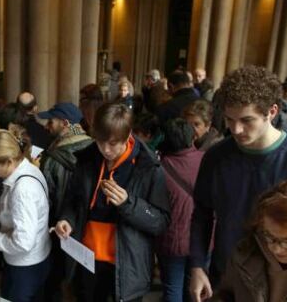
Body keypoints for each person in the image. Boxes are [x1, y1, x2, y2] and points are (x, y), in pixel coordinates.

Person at [189, 66, 287, 302]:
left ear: (272, 111)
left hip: (283, 285)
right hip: (227, 278)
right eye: (229, 119)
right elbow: (202, 214)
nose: (236, 129)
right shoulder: (215, 157)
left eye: (247, 120)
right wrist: (196, 265)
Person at [54, 103, 170, 302]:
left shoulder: (149, 168)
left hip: (126, 264)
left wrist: (128, 203)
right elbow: (73, 200)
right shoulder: (88, 159)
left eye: (113, 143)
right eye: (100, 142)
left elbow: (160, 222)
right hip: (86, 259)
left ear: (127, 136)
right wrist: (67, 219)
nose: (106, 150)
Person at [0, 129, 51, 302]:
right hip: (38, 256)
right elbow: (24, 212)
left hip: (25, 266)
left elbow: (22, 242)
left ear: (8, 161)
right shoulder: (28, 168)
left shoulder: (22, 190)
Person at [39, 102, 92, 301]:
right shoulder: (96, 150)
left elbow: (46, 199)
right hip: (89, 228)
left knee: (57, 279)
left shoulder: (51, 159)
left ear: (65, 123)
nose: (46, 126)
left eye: (51, 121)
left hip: (59, 229)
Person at [156, 118, 204, 302]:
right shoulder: (207, 159)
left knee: (172, 288)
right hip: (203, 239)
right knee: (197, 289)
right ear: (192, 138)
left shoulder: (160, 167)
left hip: (172, 240)